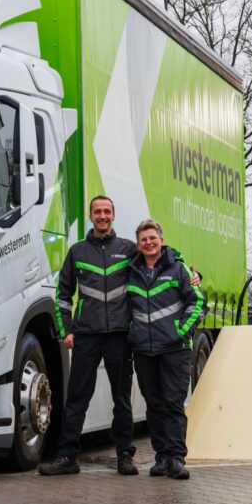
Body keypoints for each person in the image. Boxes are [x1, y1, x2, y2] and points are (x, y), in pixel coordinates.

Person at [38, 197, 200, 477]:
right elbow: (63, 294)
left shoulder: (128, 249)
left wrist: (193, 272)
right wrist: (67, 330)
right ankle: (67, 456)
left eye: (107, 211)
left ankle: (125, 456)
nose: (102, 216)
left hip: (120, 337)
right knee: (77, 397)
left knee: (122, 399)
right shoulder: (77, 252)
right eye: (97, 211)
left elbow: (162, 257)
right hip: (87, 336)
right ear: (90, 216)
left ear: (113, 215)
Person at [127, 218, 205, 481]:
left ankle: (176, 458)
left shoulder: (179, 269)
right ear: (138, 244)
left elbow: (197, 303)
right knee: (154, 405)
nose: (149, 242)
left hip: (174, 349)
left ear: (161, 239)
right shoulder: (131, 272)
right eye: (144, 239)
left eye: (153, 238)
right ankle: (161, 458)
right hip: (144, 351)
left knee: (173, 404)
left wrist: (180, 332)